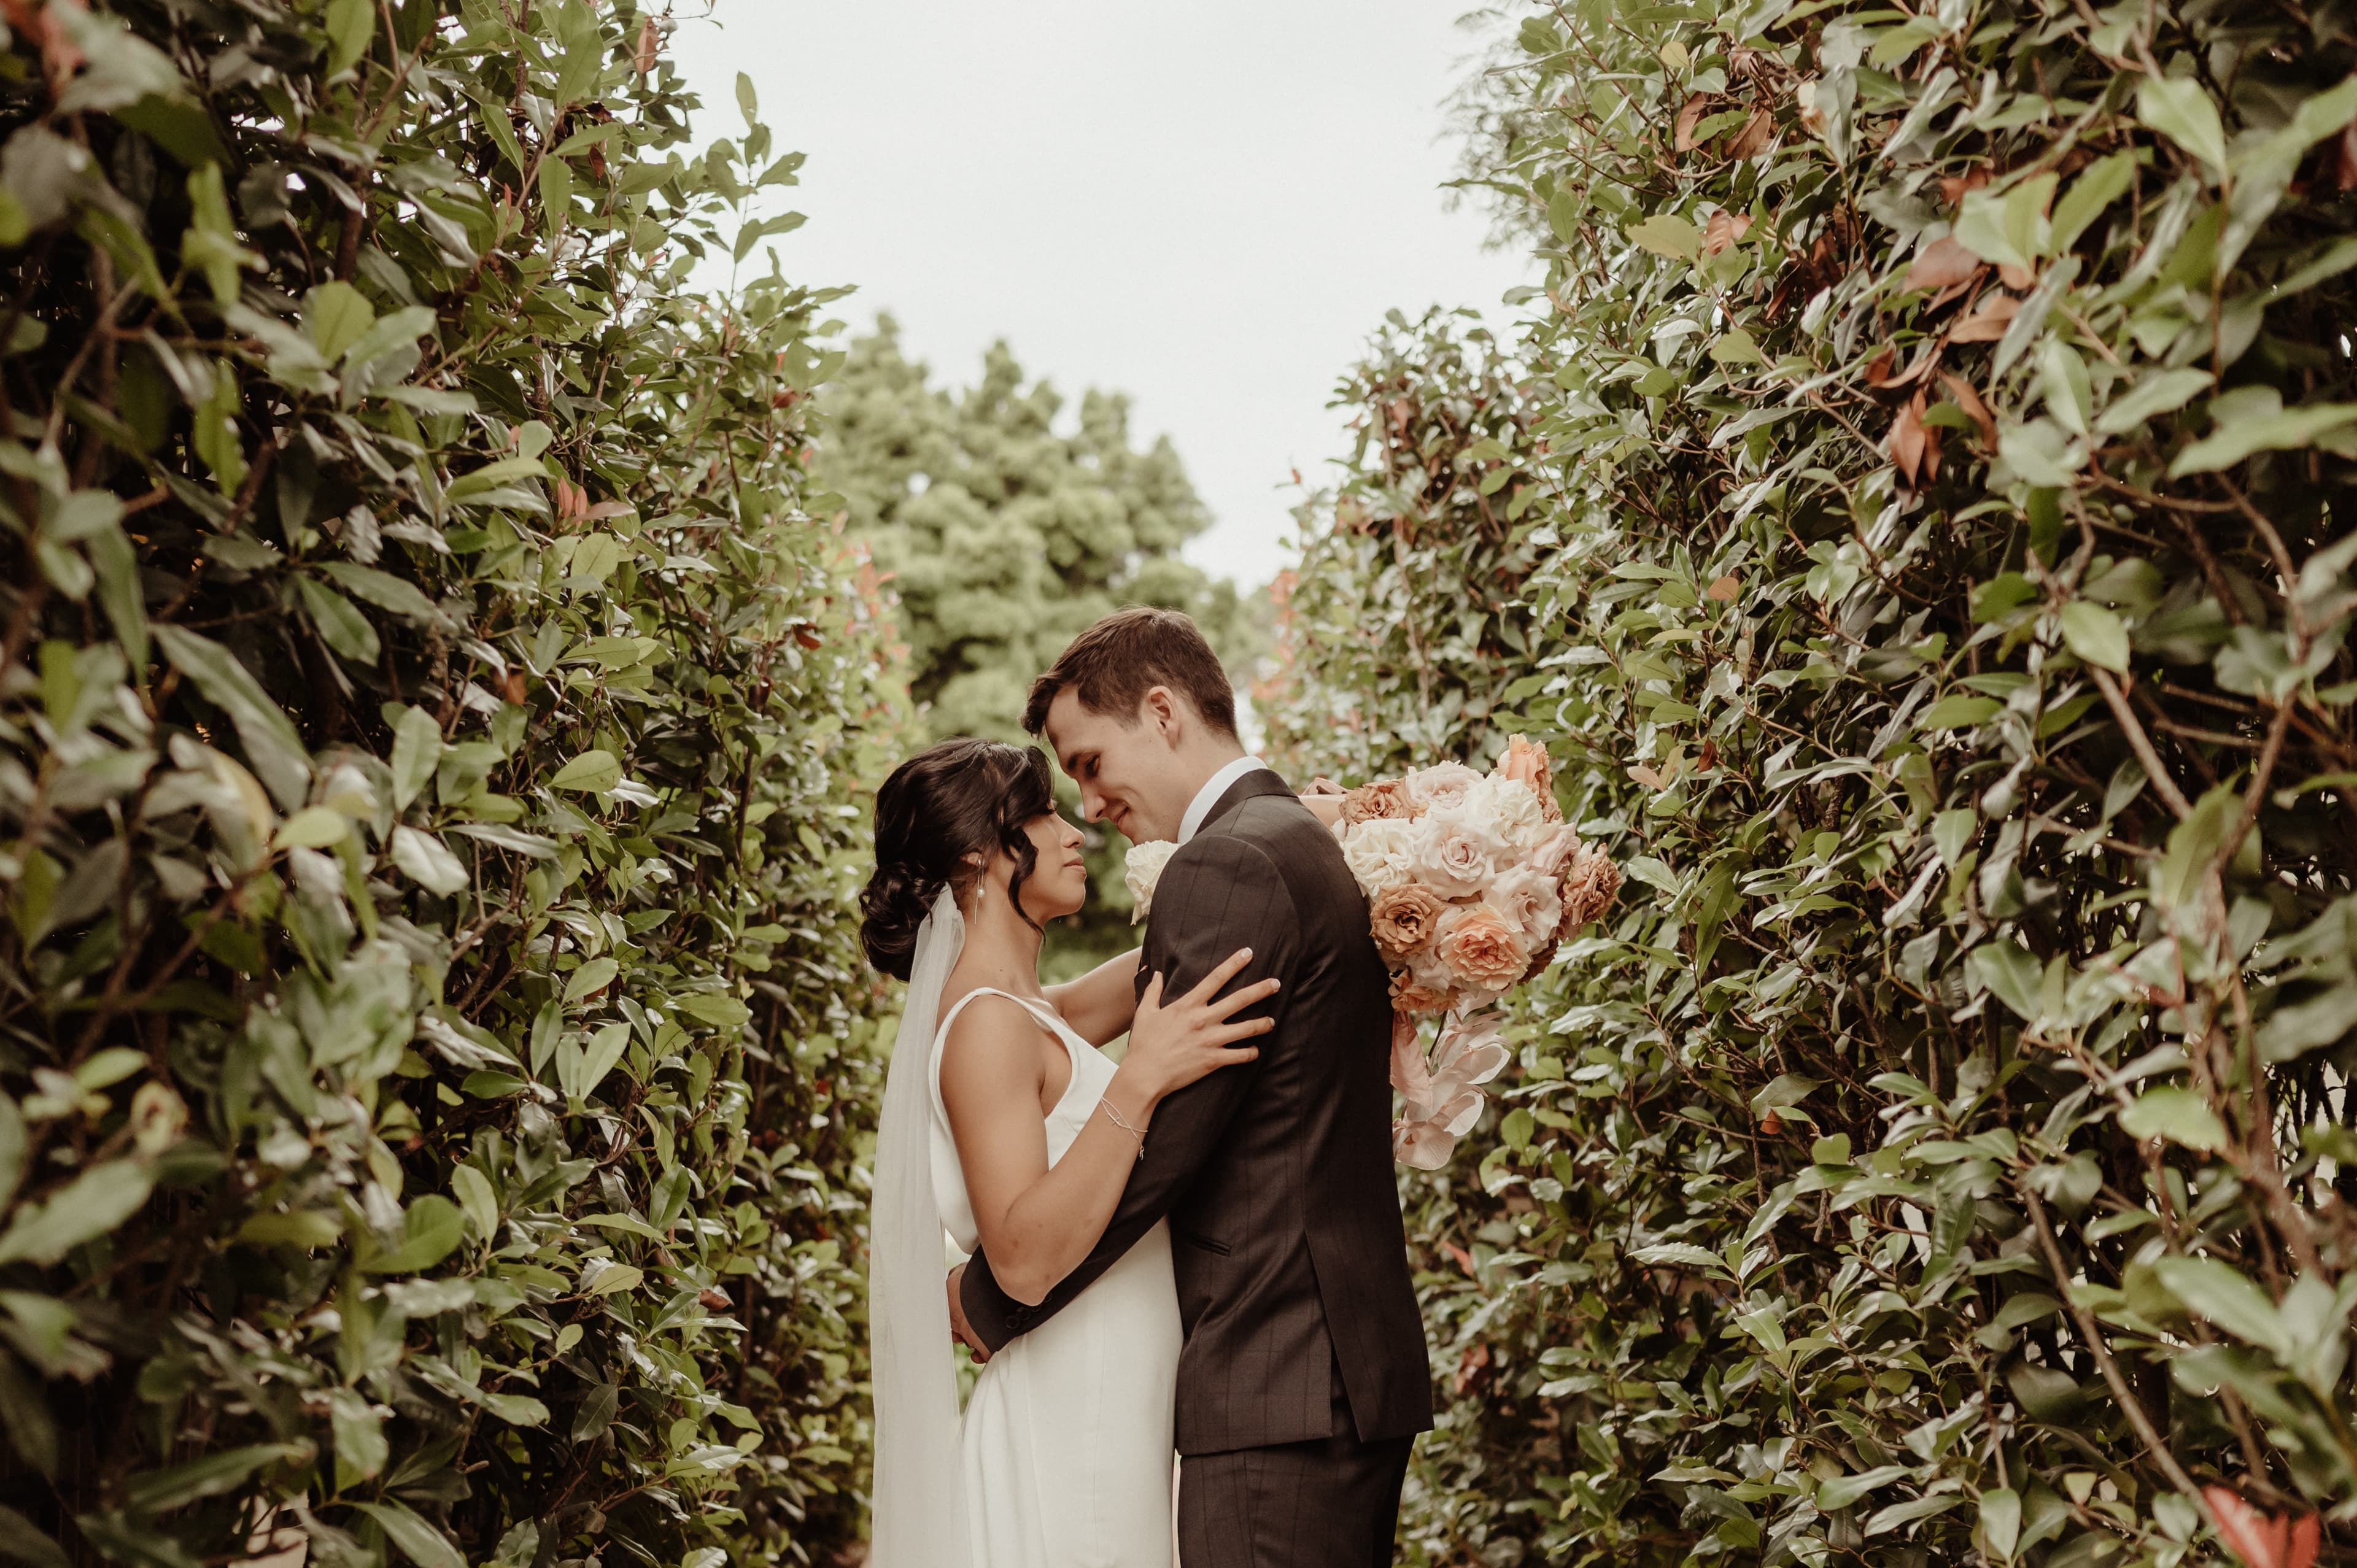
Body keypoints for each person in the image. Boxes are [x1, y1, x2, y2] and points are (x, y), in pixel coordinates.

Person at [952, 606, 1431, 1567]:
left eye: (1088, 763)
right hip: (1333, 1365)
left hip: (1277, 1370)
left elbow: (1166, 1145)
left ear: (1163, 711)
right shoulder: (1298, 838)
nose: (1088, 805)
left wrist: (999, 1298)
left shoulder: (1226, 862)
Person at [859, 735, 1279, 1567]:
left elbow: (1176, 959)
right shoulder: (984, 1024)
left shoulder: (1025, 1010)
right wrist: (1141, 1080)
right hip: (1072, 1414)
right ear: (978, 857)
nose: (1073, 831)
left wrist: (1296, 832)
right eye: (1043, 814)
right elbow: (1018, 1259)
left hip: (1113, 1393)